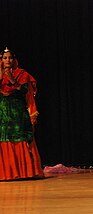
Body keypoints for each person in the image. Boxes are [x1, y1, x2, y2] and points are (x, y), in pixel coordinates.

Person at [0, 47, 43, 180]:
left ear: (14, 60)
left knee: (21, 137)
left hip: (18, 113)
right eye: (5, 58)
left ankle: (25, 172)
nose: (8, 60)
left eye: (10, 58)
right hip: (2, 115)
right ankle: (5, 173)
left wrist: (12, 79)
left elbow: (25, 91)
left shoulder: (22, 74)